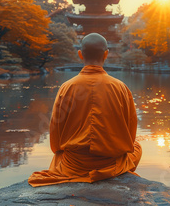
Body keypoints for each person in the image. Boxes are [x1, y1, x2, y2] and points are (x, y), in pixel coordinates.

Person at [28, 33, 142, 187]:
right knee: (136, 147)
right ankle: (109, 173)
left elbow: (55, 134)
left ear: (80, 55)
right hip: (110, 163)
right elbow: (130, 134)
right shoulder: (121, 88)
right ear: (106, 54)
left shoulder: (66, 87)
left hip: (74, 165)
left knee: (60, 154)